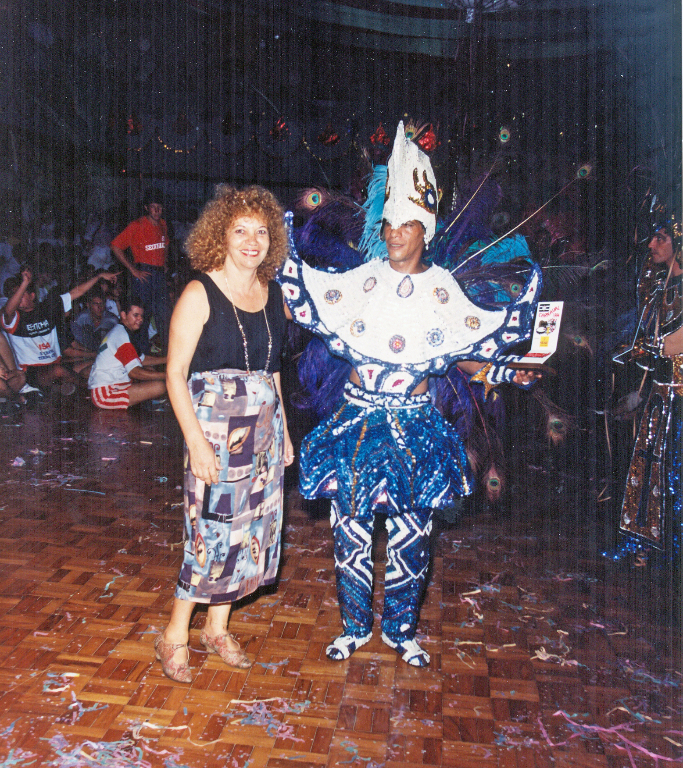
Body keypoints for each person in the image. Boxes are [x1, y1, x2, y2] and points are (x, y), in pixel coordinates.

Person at [279, 122, 540, 666]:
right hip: (355, 424)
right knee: (348, 535)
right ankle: (353, 627)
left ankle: (400, 631)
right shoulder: (358, 279)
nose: (394, 232)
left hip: (416, 427)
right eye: (389, 223)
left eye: (406, 225)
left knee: (410, 540)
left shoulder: (444, 288)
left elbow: (471, 340)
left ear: (425, 230)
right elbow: (307, 295)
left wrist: (508, 374)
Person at [154, 185, 294, 683]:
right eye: (240, 230)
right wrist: (195, 441)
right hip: (214, 431)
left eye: (261, 231)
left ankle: (217, 627)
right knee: (208, 534)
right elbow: (174, 374)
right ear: (221, 235)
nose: (252, 241)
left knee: (248, 532)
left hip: (263, 432)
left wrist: (286, 433)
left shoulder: (272, 292)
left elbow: (274, 369)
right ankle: (173, 633)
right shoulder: (199, 291)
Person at [610, 212, 682, 569]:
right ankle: (645, 542)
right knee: (648, 468)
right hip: (659, 394)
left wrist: (648, 348)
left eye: (661, 239)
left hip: (678, 399)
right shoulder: (658, 286)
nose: (652, 245)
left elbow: (670, 345)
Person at [1, 267, 119, 392]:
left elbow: (75, 293)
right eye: (15, 294)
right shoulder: (14, 318)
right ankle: (97, 389)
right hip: (32, 372)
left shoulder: (48, 307)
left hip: (56, 363)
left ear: (32, 296)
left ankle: (64, 387)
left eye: (21, 293)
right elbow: (8, 311)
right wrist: (24, 283)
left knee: (94, 361)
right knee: (59, 371)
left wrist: (98, 277)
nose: (17, 297)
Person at [110, 189, 170, 352]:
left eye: (159, 207)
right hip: (143, 273)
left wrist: (163, 262)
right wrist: (133, 269)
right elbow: (115, 246)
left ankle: (165, 354)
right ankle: (141, 354)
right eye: (153, 207)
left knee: (164, 316)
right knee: (142, 315)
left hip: (159, 274)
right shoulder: (137, 225)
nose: (157, 210)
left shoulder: (163, 224)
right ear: (146, 208)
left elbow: (165, 245)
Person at [88, 298, 167, 409]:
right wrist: (167, 376)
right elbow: (134, 373)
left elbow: (142, 359)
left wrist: (169, 359)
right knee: (159, 386)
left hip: (116, 385)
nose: (140, 319)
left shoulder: (122, 331)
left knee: (151, 371)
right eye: (135, 315)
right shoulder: (121, 336)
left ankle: (146, 402)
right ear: (124, 315)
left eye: (141, 316)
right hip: (105, 394)